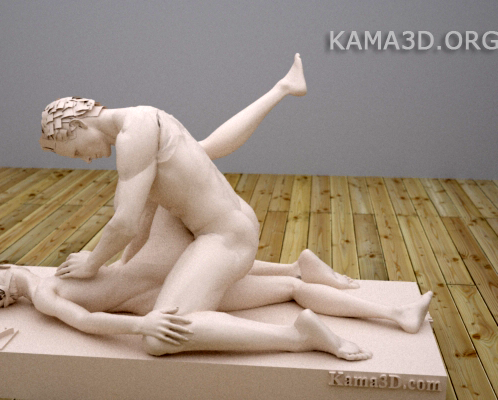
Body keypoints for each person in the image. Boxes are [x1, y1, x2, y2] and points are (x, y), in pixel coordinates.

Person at [26, 54, 432, 359]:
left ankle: (298, 337)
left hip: (223, 238)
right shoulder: (148, 120)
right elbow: (207, 153)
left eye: (74, 151)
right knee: (279, 287)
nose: (85, 160)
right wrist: (279, 91)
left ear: (78, 125)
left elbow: (125, 223)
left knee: (160, 338)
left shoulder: (133, 137)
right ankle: (392, 312)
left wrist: (93, 263)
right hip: (221, 227)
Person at [0, 260, 432, 359]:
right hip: (174, 291)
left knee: (290, 288)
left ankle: (398, 315)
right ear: (7, 276)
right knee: (291, 287)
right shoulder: (50, 287)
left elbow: (88, 314)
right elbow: (88, 321)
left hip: (176, 289)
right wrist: (145, 324)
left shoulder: (55, 282)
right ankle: (393, 315)